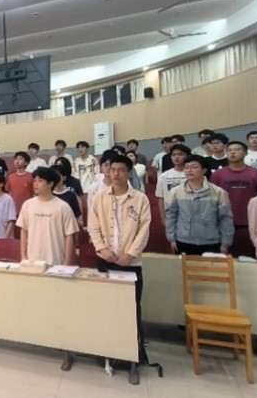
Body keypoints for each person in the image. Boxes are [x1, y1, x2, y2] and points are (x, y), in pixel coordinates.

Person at [88, 155, 151, 351]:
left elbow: (144, 230)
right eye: (112, 169)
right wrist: (102, 249)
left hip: (130, 263)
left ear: (129, 173)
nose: (115, 173)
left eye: (121, 170)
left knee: (131, 306)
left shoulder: (140, 199)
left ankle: (133, 350)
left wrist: (130, 254)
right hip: (105, 259)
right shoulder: (99, 197)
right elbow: (93, 227)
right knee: (106, 305)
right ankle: (107, 349)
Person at [165, 155, 235, 255]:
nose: (189, 170)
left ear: (204, 170)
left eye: (194, 167)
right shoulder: (175, 192)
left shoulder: (218, 192)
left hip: (211, 242)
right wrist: (172, 238)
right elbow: (171, 216)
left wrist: (225, 243)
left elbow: (225, 219)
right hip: (183, 240)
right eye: (186, 167)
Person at [210, 141, 257, 257]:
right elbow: (212, 199)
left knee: (248, 257)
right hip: (223, 221)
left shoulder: (256, 174)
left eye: (237, 149)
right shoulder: (217, 175)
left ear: (245, 153)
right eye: (229, 150)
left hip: (250, 222)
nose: (232, 152)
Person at [17, 167, 78, 265]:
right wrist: (23, 256)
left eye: (40, 181)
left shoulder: (63, 207)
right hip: (32, 261)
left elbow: (69, 236)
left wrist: (67, 262)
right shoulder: (27, 205)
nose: (35, 184)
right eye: (35, 180)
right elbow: (24, 231)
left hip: (56, 261)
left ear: (50, 184)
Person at [156, 144, 190, 226]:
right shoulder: (164, 176)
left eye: (180, 154)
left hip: (191, 213)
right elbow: (161, 198)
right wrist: (163, 217)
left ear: (187, 156)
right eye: (174, 155)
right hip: (171, 214)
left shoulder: (193, 174)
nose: (176, 157)